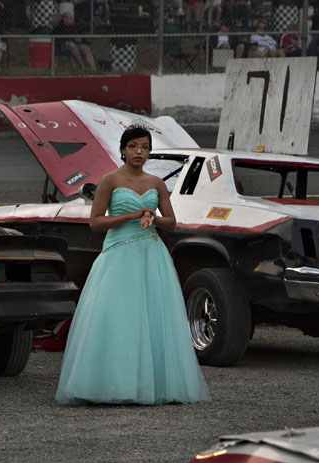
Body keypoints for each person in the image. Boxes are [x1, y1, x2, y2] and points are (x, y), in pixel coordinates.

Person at [56, 125, 210, 405]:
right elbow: (95, 221)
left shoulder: (157, 182)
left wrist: (153, 216)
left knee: (153, 315)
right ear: (123, 150)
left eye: (145, 147)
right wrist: (129, 216)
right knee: (117, 316)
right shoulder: (110, 181)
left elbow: (172, 222)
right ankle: (110, 384)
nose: (139, 152)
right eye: (134, 146)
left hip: (151, 252)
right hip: (118, 252)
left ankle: (154, 385)